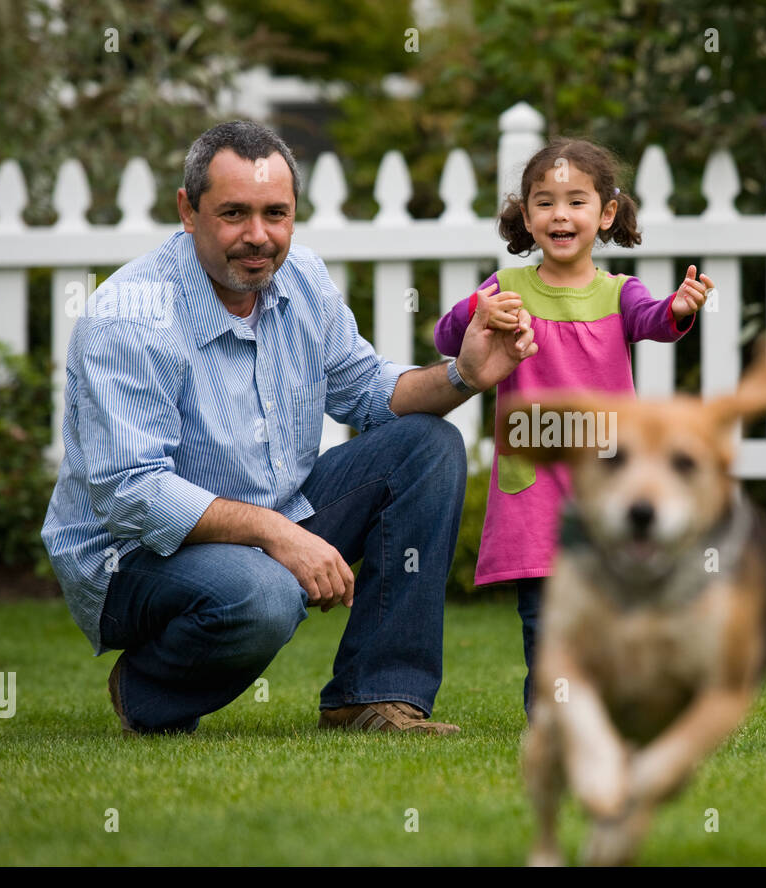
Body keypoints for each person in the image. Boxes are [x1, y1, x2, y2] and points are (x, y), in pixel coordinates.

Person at [41, 120, 536, 736]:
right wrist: (278, 535)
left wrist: (462, 374)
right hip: (131, 558)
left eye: (275, 213)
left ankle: (374, 694)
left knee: (427, 446)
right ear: (188, 211)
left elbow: (370, 390)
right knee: (263, 595)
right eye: (233, 214)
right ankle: (149, 689)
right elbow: (131, 493)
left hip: (268, 519)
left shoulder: (302, 280)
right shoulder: (130, 315)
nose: (258, 236)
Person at [433, 138, 713, 716]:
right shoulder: (507, 287)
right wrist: (476, 313)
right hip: (533, 483)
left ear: (606, 213)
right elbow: (445, 338)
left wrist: (681, 308)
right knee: (544, 609)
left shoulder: (618, 292)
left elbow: (653, 320)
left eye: (576, 201)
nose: (561, 214)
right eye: (544, 202)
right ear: (527, 217)